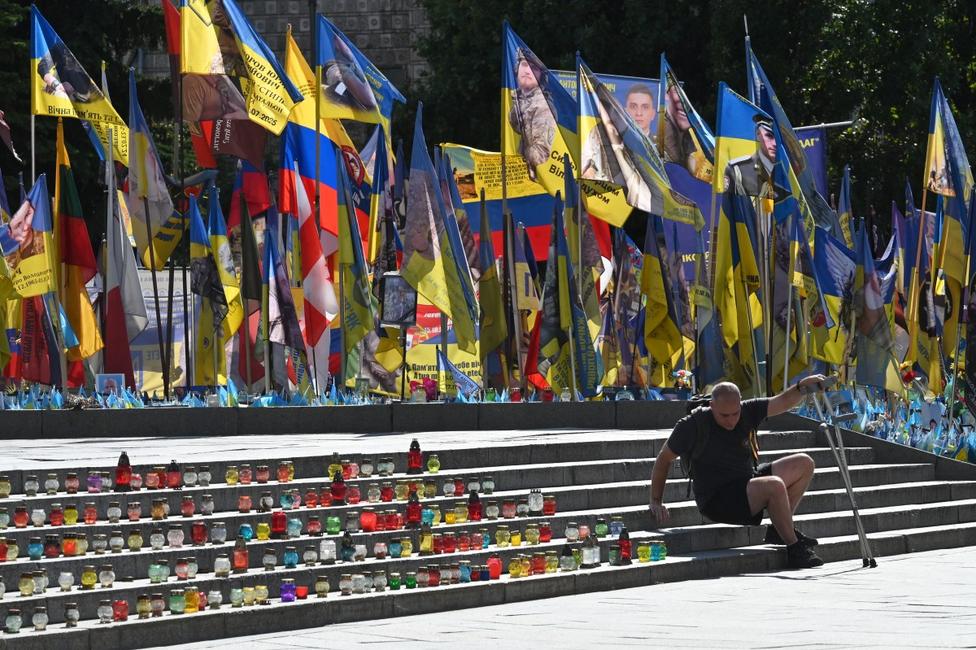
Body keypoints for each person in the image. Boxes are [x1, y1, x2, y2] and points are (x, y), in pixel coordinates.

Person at [648, 376, 828, 569]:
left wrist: (802, 387)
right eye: (724, 416)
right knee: (774, 485)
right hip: (717, 499)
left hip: (746, 481)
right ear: (712, 406)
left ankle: (778, 529)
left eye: (735, 413)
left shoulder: (748, 411)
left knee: (803, 463)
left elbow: (782, 401)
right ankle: (795, 549)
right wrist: (656, 500)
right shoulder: (692, 424)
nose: (731, 420)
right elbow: (663, 458)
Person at [508, 49, 556, 181]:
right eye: (524, 64)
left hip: (536, 181)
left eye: (534, 68)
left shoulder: (542, 105)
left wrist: (515, 163)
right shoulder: (519, 100)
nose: (527, 71)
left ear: (541, 76)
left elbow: (541, 154)